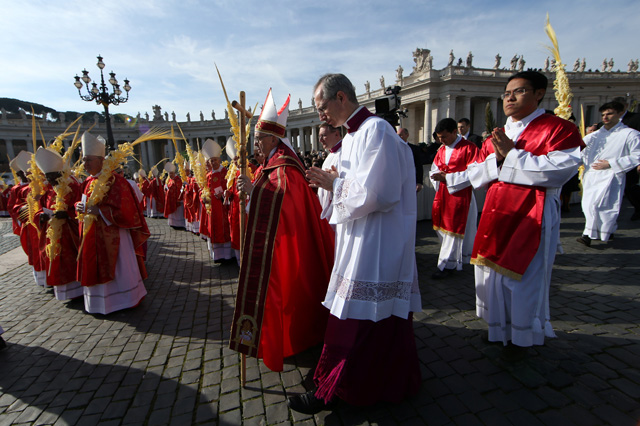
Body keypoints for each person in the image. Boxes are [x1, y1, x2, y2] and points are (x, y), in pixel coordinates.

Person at [288, 73, 422, 413]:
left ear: (342, 97)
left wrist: (334, 185)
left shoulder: (375, 130)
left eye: (321, 107)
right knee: (369, 315)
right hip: (359, 236)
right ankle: (381, 383)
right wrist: (330, 185)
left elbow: (381, 193)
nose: (320, 114)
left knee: (356, 318)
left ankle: (335, 389)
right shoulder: (352, 136)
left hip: (375, 240)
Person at [466, 71, 583, 357]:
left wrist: (512, 156)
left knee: (523, 277)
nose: (509, 97)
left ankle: (523, 337)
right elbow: (475, 174)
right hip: (496, 211)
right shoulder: (498, 135)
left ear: (539, 93)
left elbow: (561, 170)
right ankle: (498, 329)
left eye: (518, 91)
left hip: (533, 210)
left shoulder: (557, 128)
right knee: (491, 275)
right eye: (506, 93)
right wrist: (497, 158)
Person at [229, 89, 335, 373]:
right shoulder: (270, 165)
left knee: (284, 295)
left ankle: (291, 339)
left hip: (285, 247)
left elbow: (287, 204)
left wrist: (254, 192)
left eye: (258, 139)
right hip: (274, 245)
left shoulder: (285, 168)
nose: (256, 145)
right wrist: (252, 193)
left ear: (273, 138)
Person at [75, 131, 150, 314]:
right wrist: (80, 206)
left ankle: (124, 298)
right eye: (83, 160)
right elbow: (84, 202)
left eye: (88, 160)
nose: (84, 164)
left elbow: (127, 210)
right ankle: (99, 303)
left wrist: (100, 211)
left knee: (119, 267)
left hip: (114, 235)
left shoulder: (116, 181)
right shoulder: (87, 181)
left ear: (101, 160)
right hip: (92, 234)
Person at [577, 101, 640, 246]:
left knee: (602, 206)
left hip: (611, 175)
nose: (605, 117)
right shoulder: (594, 136)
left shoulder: (630, 134)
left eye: (609, 113)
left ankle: (588, 235)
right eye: (603, 114)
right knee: (588, 205)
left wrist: (611, 163)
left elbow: (637, 155)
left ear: (619, 114)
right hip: (591, 175)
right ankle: (606, 231)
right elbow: (580, 152)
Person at [429, 118, 479, 279]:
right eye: (439, 138)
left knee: (452, 231)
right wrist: (436, 176)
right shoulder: (442, 150)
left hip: (460, 195)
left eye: (444, 137)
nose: (441, 141)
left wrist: (449, 178)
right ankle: (455, 259)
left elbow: (475, 172)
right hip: (443, 195)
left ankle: (446, 265)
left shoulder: (469, 148)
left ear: (454, 132)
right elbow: (434, 168)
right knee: (444, 231)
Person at [34, 147, 84, 300]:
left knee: (70, 261)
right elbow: (39, 209)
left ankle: (77, 290)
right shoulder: (49, 191)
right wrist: (41, 216)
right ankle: (63, 292)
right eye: (47, 176)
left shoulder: (72, 187)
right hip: (52, 233)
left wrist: (67, 214)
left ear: (59, 173)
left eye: (52, 176)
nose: (49, 180)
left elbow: (81, 207)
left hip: (70, 233)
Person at [201, 139, 233, 263]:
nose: (213, 162)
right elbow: (203, 190)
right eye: (211, 161)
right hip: (212, 209)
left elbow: (230, 187)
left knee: (224, 230)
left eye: (215, 160)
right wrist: (203, 197)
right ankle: (218, 256)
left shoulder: (225, 173)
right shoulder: (208, 176)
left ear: (219, 160)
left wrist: (225, 194)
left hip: (223, 207)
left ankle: (227, 255)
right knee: (214, 230)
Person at [317, 123, 342, 220]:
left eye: (324, 135)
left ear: (336, 134)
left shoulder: (344, 152)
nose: (320, 140)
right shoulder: (330, 156)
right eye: (319, 136)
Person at [397, 127, 425, 192]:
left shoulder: (414, 149)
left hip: (410, 181)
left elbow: (419, 166)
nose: (399, 137)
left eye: (401, 135)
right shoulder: (394, 148)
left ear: (407, 135)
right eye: (397, 135)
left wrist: (419, 182)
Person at [163, 162, 186, 230]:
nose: (170, 175)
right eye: (169, 174)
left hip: (176, 199)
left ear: (174, 173)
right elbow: (167, 186)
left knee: (178, 212)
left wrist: (170, 189)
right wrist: (165, 188)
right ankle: (172, 223)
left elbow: (178, 188)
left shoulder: (178, 179)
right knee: (173, 214)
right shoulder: (169, 180)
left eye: (171, 173)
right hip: (170, 199)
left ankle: (179, 224)